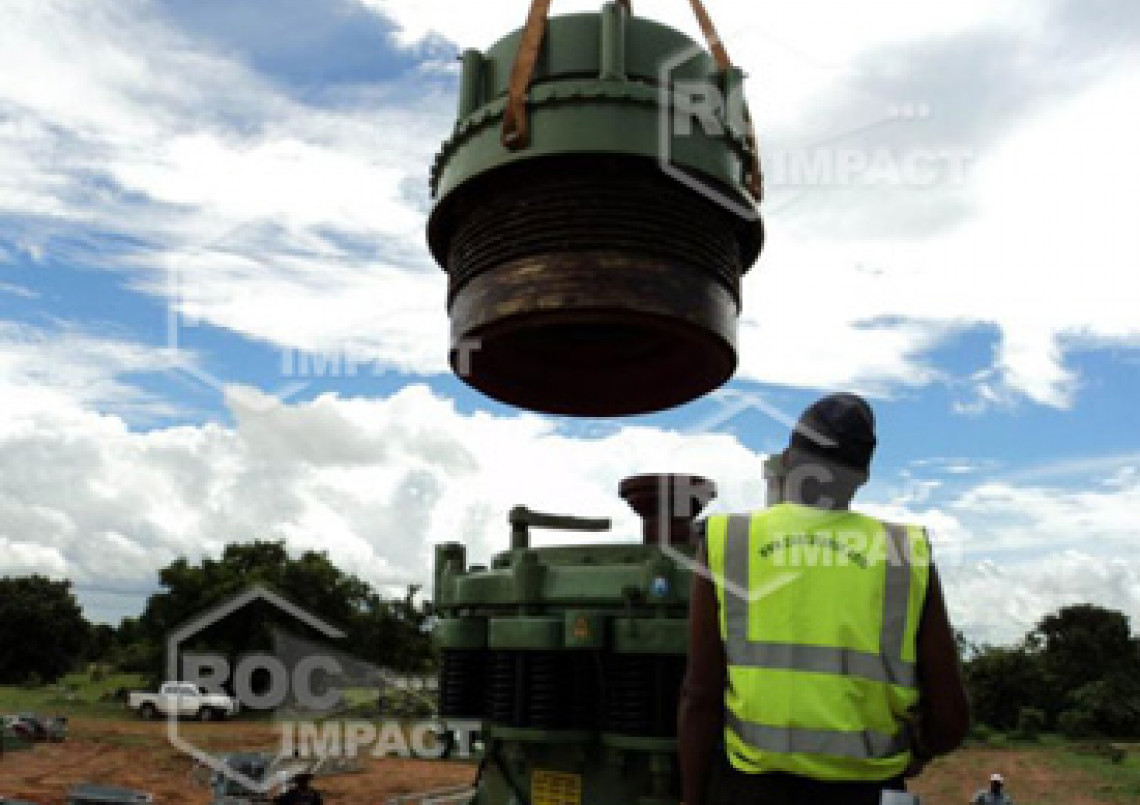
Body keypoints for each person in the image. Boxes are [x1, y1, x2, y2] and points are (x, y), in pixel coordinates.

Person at [678, 393, 971, 805]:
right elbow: (950, 719)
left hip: (751, 790)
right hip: (869, 792)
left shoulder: (729, 539)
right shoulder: (905, 551)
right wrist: (915, 754)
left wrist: (692, 799)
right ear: (863, 475)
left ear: (789, 461)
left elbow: (700, 695)